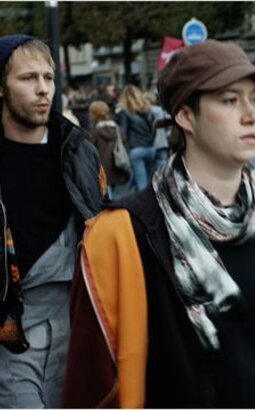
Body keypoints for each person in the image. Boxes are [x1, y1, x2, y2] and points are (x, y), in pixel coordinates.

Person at [62, 39, 255, 408]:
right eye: (230, 100)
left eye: (253, 98)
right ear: (185, 116)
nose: (251, 114)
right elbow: (91, 386)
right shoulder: (124, 235)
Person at [0, 34, 105, 408]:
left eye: (48, 77)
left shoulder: (76, 150)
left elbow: (102, 223)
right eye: (28, 78)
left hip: (78, 322)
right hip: (13, 330)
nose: (43, 89)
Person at [88, 100, 130, 200]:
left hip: (102, 170)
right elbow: (126, 147)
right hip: (118, 166)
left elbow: (90, 153)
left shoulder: (94, 133)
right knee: (116, 195)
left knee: (106, 197)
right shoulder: (117, 129)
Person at [117, 85, 156, 191]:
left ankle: (144, 207)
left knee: (142, 185)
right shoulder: (148, 111)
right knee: (151, 182)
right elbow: (153, 129)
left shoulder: (124, 113)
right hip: (151, 148)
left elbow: (123, 133)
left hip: (135, 149)